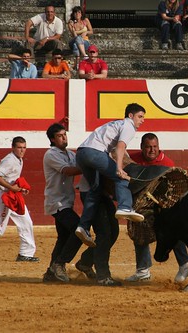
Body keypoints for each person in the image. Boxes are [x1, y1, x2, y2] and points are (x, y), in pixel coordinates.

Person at [75, 103, 146, 248]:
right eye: (140, 116)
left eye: (143, 117)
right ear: (130, 116)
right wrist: (119, 168)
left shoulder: (115, 124)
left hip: (81, 153)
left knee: (95, 189)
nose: (142, 120)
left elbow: (116, 149)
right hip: (95, 153)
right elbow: (120, 147)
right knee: (121, 177)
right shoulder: (129, 126)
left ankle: (83, 226)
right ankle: (125, 206)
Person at [125, 133, 188, 283]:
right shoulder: (132, 159)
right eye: (148, 147)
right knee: (138, 230)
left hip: (162, 206)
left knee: (172, 231)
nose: (152, 150)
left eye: (155, 147)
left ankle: (184, 265)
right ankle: (143, 271)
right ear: (142, 147)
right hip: (141, 206)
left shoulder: (166, 164)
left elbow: (173, 190)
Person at [42, 124, 82, 282]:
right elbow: (68, 171)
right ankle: (59, 264)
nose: (64, 137)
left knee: (64, 237)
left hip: (66, 201)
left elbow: (76, 165)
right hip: (57, 203)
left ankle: (51, 273)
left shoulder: (70, 154)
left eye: (64, 134)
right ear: (52, 139)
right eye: (60, 135)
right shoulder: (51, 154)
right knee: (79, 231)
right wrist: (91, 167)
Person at [75, 177, 122, 286]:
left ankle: (85, 262)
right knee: (104, 233)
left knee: (113, 232)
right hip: (91, 192)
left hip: (103, 193)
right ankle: (103, 276)